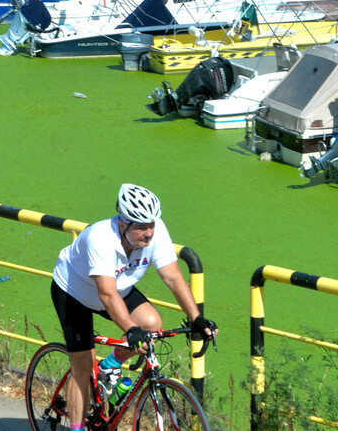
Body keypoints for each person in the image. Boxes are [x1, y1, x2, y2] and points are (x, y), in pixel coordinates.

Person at [50, 183, 216, 431]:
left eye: (151, 224)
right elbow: (106, 293)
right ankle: (76, 428)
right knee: (83, 366)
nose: (148, 233)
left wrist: (197, 318)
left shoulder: (156, 232)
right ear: (122, 223)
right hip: (75, 292)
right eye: (140, 226)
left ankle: (109, 366)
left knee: (151, 323)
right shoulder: (100, 238)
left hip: (120, 289)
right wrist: (130, 329)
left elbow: (172, 276)